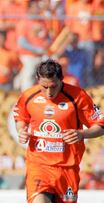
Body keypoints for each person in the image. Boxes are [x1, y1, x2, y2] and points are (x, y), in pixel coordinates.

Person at [13, 59, 104, 203]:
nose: (49, 92)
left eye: (53, 86)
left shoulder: (78, 97)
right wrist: (21, 130)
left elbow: (101, 125)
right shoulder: (28, 96)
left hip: (67, 168)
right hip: (39, 165)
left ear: (62, 79)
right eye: (44, 87)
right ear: (38, 80)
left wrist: (82, 134)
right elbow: (21, 117)